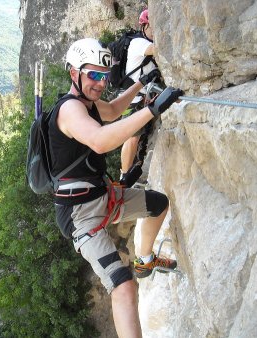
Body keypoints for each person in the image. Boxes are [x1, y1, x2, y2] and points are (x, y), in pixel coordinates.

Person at [48, 38, 182, 337]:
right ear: (74, 74)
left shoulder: (88, 104)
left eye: (104, 75)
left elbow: (112, 110)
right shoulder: (69, 110)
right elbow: (100, 139)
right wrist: (152, 110)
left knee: (157, 203)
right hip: (81, 215)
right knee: (123, 285)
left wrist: (141, 84)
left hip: (103, 197)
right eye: (93, 75)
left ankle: (145, 260)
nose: (100, 82)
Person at [120, 8, 162, 187]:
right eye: (152, 26)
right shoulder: (138, 43)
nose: (154, 30)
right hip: (134, 99)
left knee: (139, 138)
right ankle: (123, 177)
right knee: (132, 137)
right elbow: (156, 49)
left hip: (144, 97)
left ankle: (131, 175)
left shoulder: (144, 42)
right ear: (144, 26)